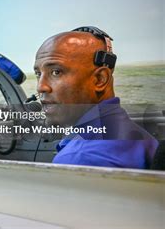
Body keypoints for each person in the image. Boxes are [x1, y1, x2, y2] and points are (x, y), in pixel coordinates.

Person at [34, 26, 158, 169]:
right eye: (38, 74)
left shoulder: (80, 158)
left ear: (100, 79)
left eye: (56, 72)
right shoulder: (129, 129)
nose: (41, 87)